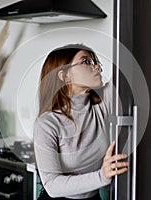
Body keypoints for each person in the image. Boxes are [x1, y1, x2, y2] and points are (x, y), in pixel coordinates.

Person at [33, 44, 129, 200]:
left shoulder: (101, 105)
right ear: (65, 76)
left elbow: (126, 69)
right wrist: (101, 176)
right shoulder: (47, 124)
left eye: (94, 61)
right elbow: (52, 186)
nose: (96, 66)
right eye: (86, 62)